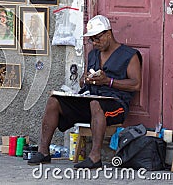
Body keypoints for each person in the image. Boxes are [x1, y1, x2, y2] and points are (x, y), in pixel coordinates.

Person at [28, 15, 142, 169]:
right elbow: (83, 79)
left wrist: (108, 81)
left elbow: (136, 84)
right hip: (89, 100)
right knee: (54, 100)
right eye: (92, 40)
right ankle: (43, 152)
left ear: (108, 33)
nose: (94, 43)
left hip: (115, 104)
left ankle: (95, 157)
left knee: (96, 104)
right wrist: (86, 79)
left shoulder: (130, 55)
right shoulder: (93, 54)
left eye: (97, 38)